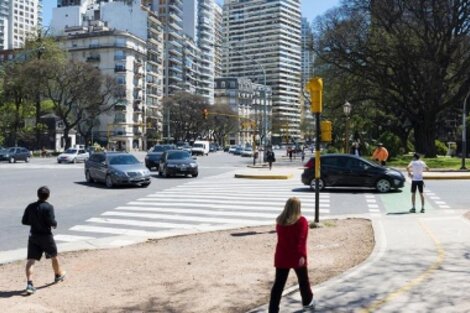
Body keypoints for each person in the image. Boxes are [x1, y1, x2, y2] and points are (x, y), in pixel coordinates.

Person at [269, 197, 316, 313]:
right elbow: (300, 240)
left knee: (278, 285)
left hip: (282, 256)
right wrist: (301, 256)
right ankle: (307, 302)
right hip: (296, 257)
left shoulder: (280, 221)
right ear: (298, 207)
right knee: (303, 281)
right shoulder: (302, 221)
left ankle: (273, 310)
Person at [22, 186, 66, 294]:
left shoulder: (30, 206)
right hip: (46, 236)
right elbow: (51, 221)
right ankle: (57, 275)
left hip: (33, 236)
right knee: (54, 256)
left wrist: (34, 223)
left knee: (31, 260)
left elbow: (24, 221)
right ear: (48, 196)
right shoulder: (48, 207)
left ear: (37, 195)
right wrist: (55, 224)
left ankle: (29, 284)